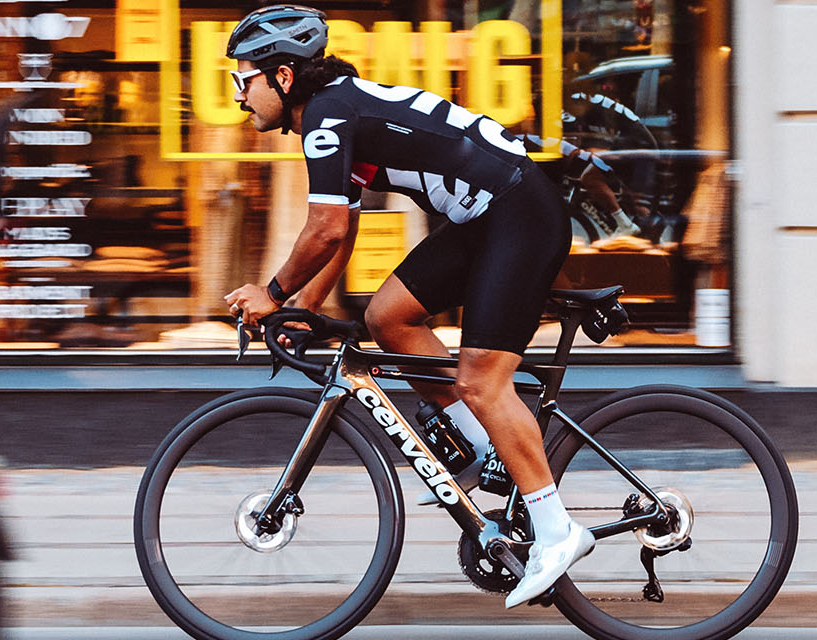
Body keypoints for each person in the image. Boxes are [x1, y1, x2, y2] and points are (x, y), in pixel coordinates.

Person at [216, 5, 591, 608]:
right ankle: (483, 452)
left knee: (482, 382)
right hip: (489, 217)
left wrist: (274, 295)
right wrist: (306, 309)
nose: (238, 94)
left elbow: (325, 228)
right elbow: (345, 228)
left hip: (517, 215)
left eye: (243, 79)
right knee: (386, 317)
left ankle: (556, 531)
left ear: (282, 77)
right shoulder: (339, 107)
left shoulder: (327, 116)